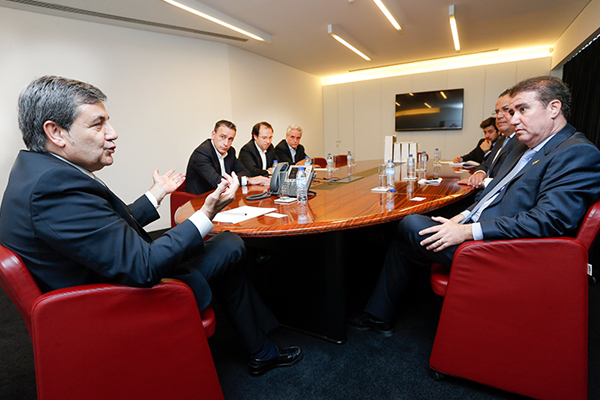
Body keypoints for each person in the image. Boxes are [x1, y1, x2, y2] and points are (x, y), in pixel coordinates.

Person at [0, 76, 302, 376]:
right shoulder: (53, 186)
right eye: (98, 124)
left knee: (225, 250)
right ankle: (263, 338)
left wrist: (156, 194)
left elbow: (102, 229)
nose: (113, 133)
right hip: (117, 302)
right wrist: (207, 212)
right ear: (56, 132)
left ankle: (261, 348)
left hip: (101, 281)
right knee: (230, 244)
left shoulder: (37, 172)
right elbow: (142, 266)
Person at [349, 76, 600, 336]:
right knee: (406, 238)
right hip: (486, 230)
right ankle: (377, 316)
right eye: (512, 112)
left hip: (507, 251)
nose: (513, 120)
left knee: (411, 223)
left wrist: (468, 231)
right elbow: (493, 192)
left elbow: (548, 221)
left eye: (522, 110)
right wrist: (463, 216)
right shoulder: (520, 145)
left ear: (553, 109)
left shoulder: (576, 152)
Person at [185, 120, 270, 195]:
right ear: (213, 135)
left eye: (230, 139)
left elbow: (244, 171)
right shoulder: (201, 153)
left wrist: (238, 179)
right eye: (222, 137)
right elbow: (217, 182)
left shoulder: (230, 151)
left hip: (220, 197)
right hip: (198, 200)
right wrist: (249, 180)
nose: (226, 143)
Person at [463, 90, 520, 189]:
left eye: (506, 109)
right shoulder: (502, 140)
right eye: (497, 111)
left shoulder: (522, 142)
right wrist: (479, 173)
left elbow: (509, 181)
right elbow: (487, 163)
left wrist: (482, 181)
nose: (498, 116)